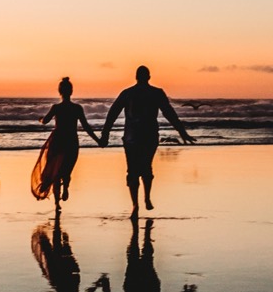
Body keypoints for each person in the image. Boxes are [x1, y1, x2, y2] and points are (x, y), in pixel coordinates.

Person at [100, 65, 195, 216]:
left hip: (131, 137)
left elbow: (112, 114)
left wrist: (105, 134)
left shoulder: (127, 93)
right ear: (149, 77)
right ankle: (147, 198)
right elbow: (169, 113)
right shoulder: (156, 93)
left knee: (132, 171)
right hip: (149, 137)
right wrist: (182, 132)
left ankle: (135, 205)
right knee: (146, 167)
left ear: (136, 77)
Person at [31, 77, 101, 210]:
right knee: (67, 169)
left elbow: (45, 121)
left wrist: (39, 119)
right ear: (71, 91)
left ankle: (57, 203)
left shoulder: (56, 108)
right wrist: (98, 140)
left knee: (56, 172)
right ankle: (66, 188)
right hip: (71, 141)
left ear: (59, 92)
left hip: (57, 141)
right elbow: (86, 127)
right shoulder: (77, 108)